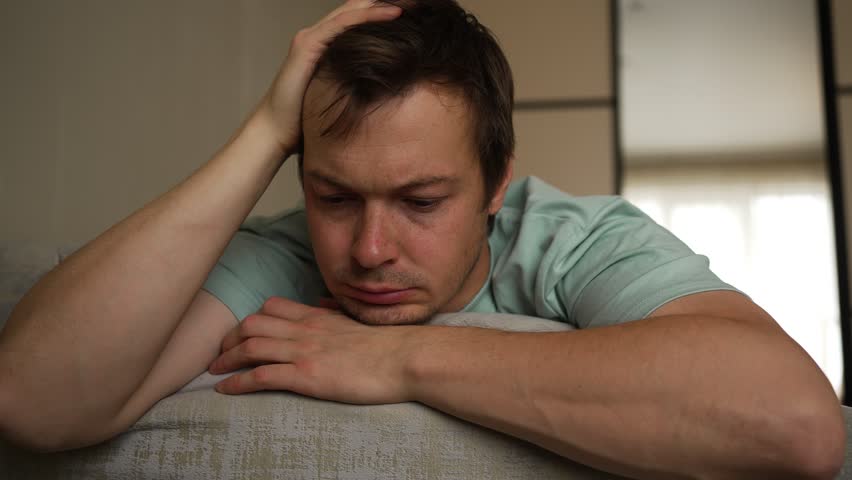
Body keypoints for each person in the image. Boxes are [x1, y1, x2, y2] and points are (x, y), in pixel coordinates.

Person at [0, 0, 844, 478]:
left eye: (421, 200)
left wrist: (399, 360)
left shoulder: (571, 240)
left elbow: (796, 427)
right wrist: (263, 132)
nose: (368, 250)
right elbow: (34, 403)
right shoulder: (283, 252)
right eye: (333, 195)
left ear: (496, 185)